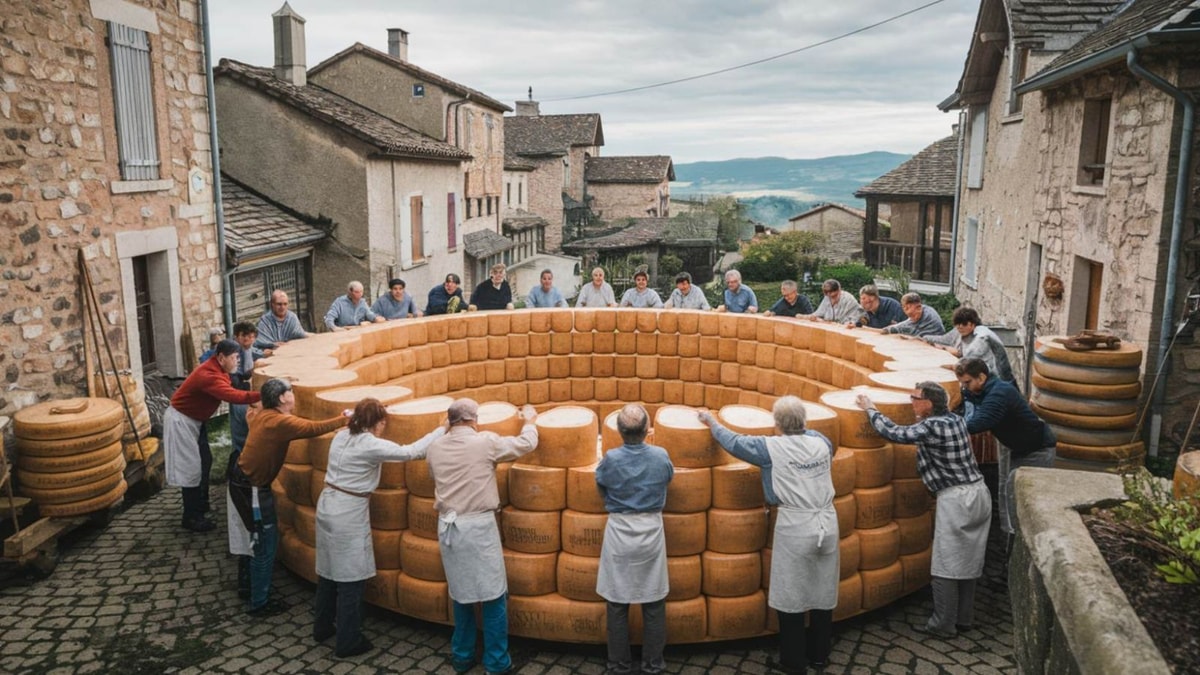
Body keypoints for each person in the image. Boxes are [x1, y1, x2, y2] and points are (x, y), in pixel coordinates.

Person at [699, 397, 837, 673]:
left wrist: (710, 421)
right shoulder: (822, 442)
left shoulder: (771, 448)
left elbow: (733, 442)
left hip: (796, 525)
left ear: (776, 424)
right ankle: (819, 655)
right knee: (822, 590)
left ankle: (793, 662)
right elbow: (811, 439)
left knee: (791, 594)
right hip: (827, 521)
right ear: (804, 421)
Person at [855, 383, 990, 639]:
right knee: (969, 560)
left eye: (915, 397)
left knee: (945, 563)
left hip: (957, 499)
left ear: (928, 403)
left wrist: (870, 408)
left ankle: (942, 625)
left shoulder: (932, 426)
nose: (911, 401)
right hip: (979, 493)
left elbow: (894, 433)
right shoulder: (955, 419)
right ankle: (964, 619)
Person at [314, 398, 446, 658]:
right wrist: (441, 429)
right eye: (383, 422)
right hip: (347, 511)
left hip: (327, 502)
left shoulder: (341, 436)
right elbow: (411, 452)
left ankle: (322, 627)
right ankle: (348, 640)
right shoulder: (370, 444)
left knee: (328, 571)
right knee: (351, 578)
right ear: (378, 423)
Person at [426, 399, 539, 675]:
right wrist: (530, 421)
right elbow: (526, 444)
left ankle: (462, 656)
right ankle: (497, 662)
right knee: (493, 594)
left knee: (461, 593)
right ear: (473, 420)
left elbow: (434, 476)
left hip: (449, 526)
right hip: (477, 527)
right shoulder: (484, 442)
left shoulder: (434, 447)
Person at [229, 378, 348, 616]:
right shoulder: (280, 422)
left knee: (253, 537)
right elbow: (311, 428)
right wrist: (344, 419)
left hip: (243, 481)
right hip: (252, 488)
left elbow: (257, 416)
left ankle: (247, 587)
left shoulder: (263, 415)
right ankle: (259, 603)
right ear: (282, 398)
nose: (293, 395)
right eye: (290, 392)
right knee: (265, 543)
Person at [595, 404, 674, 675]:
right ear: (647, 429)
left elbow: (600, 482)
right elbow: (668, 478)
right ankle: (653, 664)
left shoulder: (611, 458)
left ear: (619, 431)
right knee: (654, 601)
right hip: (651, 530)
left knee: (617, 601)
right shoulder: (660, 456)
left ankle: (619, 664)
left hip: (620, 530)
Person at [164, 339, 262, 532]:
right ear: (221, 357)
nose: (237, 361)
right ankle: (191, 517)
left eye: (238, 357)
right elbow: (232, 396)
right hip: (182, 421)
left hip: (195, 421)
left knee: (205, 460)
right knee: (191, 467)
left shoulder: (218, 369)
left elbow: (235, 382)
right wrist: (264, 395)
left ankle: (201, 503)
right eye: (234, 358)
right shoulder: (209, 376)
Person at [954, 357, 1055, 539]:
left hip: (1037, 452)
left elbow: (979, 422)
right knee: (1013, 498)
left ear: (981, 377)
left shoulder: (1000, 393)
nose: (965, 387)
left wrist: (945, 426)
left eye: (967, 382)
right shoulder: (985, 390)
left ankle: (1025, 543)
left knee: (1028, 503)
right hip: (1020, 449)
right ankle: (1012, 539)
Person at [926, 308, 1013, 382]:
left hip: (999, 379)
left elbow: (970, 356)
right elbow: (945, 340)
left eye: (964, 324)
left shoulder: (982, 335)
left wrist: (952, 366)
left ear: (973, 323)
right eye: (957, 324)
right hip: (983, 376)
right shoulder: (963, 331)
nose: (960, 327)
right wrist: (925, 338)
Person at [227, 322, 259, 458]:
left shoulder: (249, 350)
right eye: (244, 336)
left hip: (245, 394)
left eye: (251, 337)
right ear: (236, 337)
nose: (248, 339)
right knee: (241, 434)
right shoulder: (233, 353)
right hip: (237, 395)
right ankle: (239, 460)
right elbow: (234, 378)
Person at [880, 292, 945, 338]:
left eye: (913, 315)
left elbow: (909, 325)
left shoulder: (929, 316)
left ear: (919, 307)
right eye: (909, 316)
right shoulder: (919, 312)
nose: (912, 318)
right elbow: (906, 323)